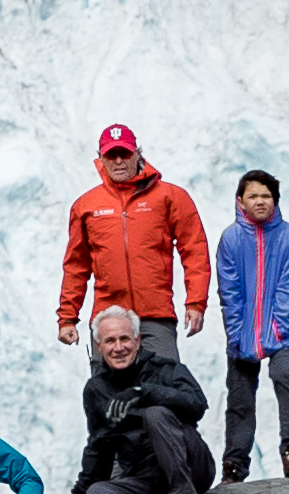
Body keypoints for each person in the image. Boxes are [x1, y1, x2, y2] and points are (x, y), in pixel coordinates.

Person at [31, 303, 214, 494]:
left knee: (155, 414)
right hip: (147, 479)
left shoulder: (166, 369)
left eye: (124, 339)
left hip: (190, 468)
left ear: (137, 341)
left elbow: (197, 404)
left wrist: (145, 392)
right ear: (99, 347)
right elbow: (99, 447)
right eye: (110, 341)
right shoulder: (98, 389)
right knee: (100, 489)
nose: (119, 347)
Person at [58, 123, 209, 364]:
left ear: (137, 153)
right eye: (111, 155)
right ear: (100, 159)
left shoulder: (170, 197)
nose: (118, 161)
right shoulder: (85, 206)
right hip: (107, 320)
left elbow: (194, 251)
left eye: (124, 153)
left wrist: (196, 302)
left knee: (165, 394)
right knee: (108, 399)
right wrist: (67, 317)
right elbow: (77, 266)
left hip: (155, 316)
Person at [211, 168, 289, 483]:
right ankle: (234, 465)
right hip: (242, 333)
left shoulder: (287, 235)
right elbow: (229, 291)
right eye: (253, 195)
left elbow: (288, 286)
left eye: (266, 196)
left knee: (286, 377)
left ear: (275, 200)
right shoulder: (230, 238)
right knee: (240, 397)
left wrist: (277, 330)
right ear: (240, 201)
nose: (260, 201)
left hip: (280, 330)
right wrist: (238, 335)